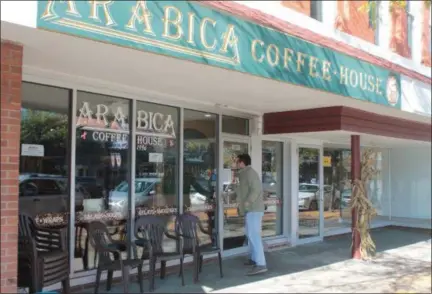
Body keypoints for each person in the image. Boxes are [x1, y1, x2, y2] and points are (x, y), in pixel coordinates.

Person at [235, 153, 267, 275]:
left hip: (254, 209)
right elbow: (242, 190)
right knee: (250, 234)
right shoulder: (243, 174)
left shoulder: (250, 173)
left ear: (242, 162)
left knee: (254, 236)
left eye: (237, 162)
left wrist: (248, 202)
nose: (236, 164)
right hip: (250, 210)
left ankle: (261, 264)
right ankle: (254, 259)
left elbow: (256, 189)